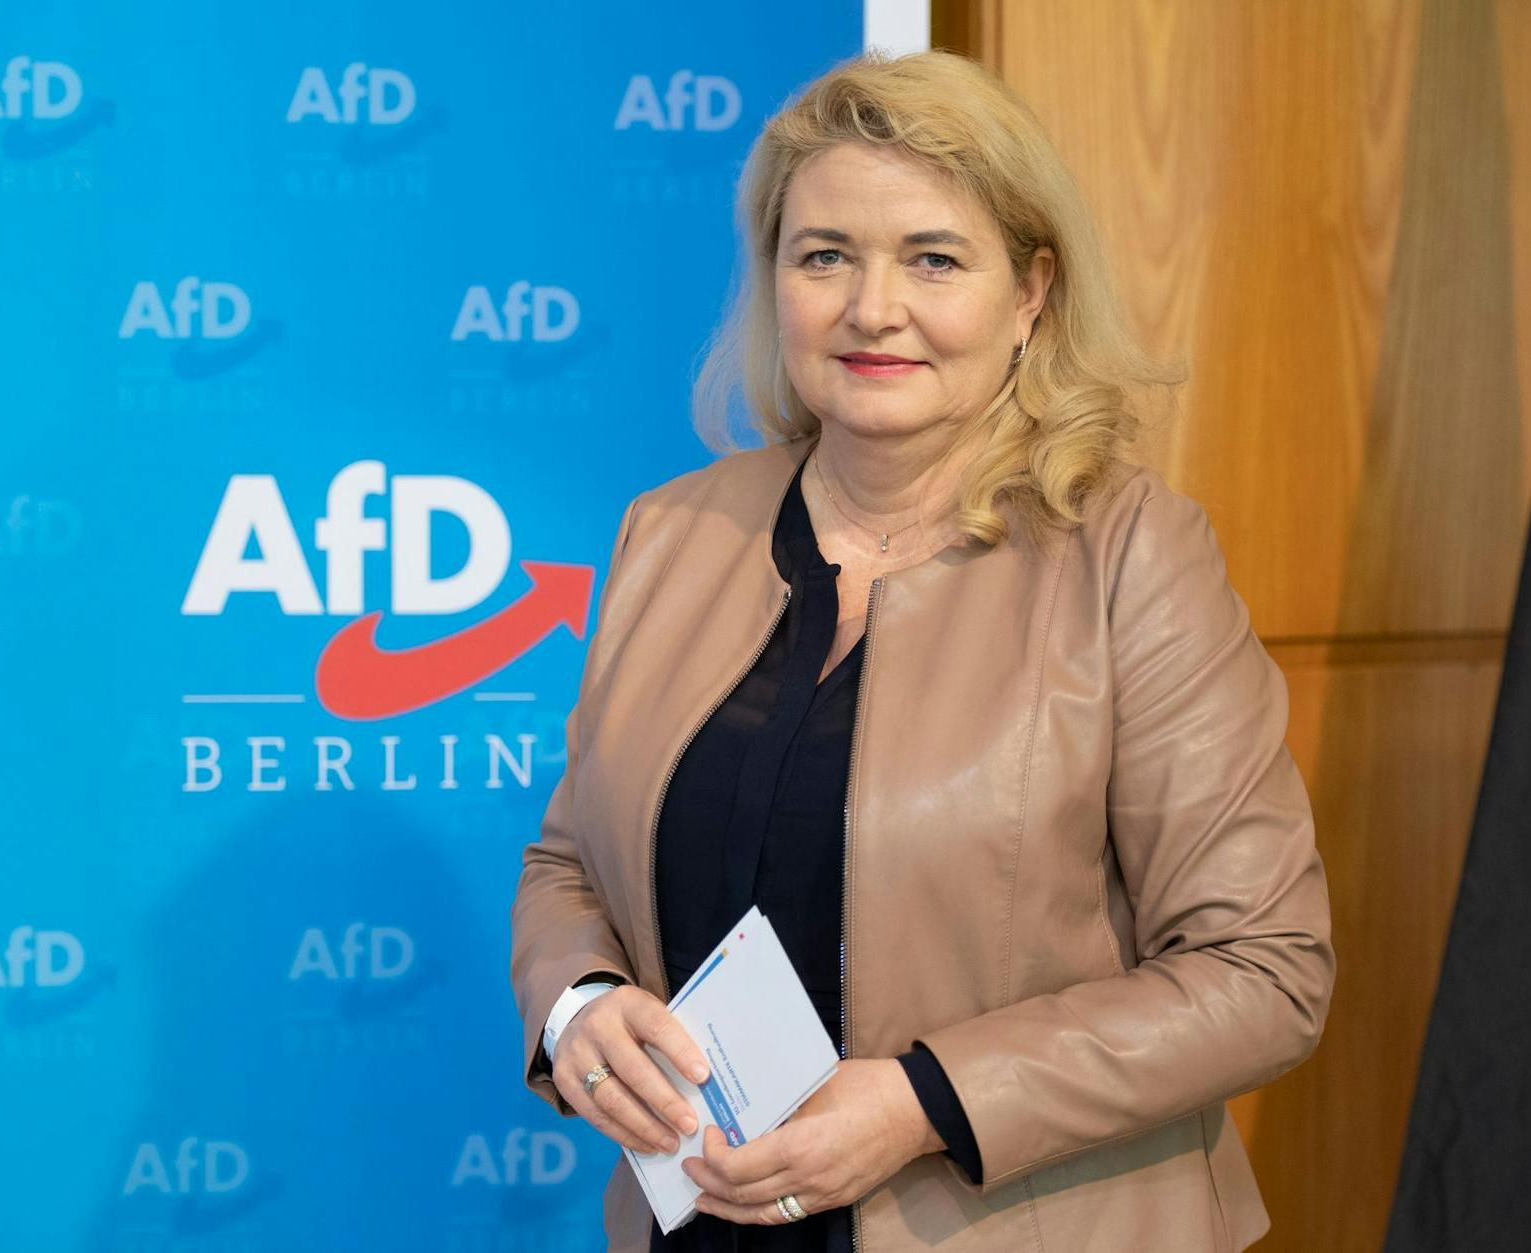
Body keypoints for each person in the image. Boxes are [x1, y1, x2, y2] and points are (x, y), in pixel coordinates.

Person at [509, 49, 1335, 1253]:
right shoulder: (668, 532)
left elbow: (1262, 969)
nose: (870, 307)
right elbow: (566, 862)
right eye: (823, 255)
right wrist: (577, 1004)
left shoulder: (1128, 553)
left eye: (932, 258)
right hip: (705, 1225)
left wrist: (924, 1101)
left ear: (1028, 294)